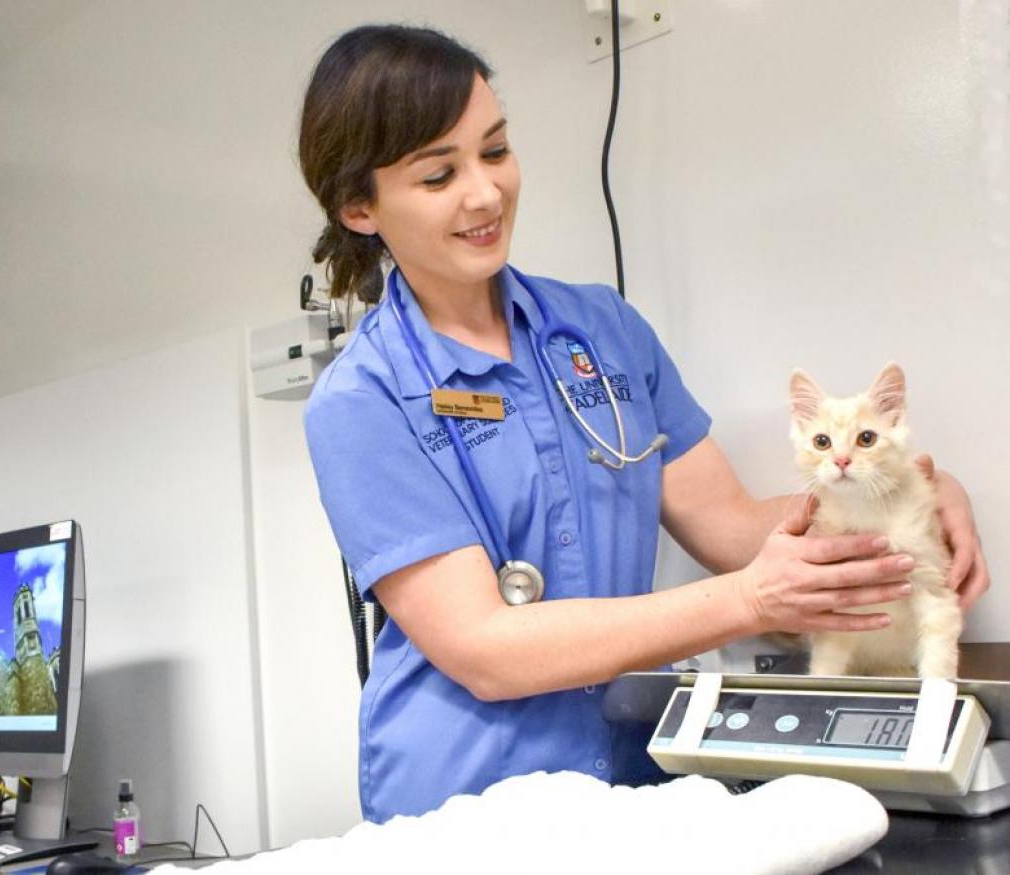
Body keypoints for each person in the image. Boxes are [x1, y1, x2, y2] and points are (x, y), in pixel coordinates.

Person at [298, 24, 989, 824]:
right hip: (466, 802)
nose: (485, 193)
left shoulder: (603, 330)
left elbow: (733, 528)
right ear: (359, 204)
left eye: (495, 150)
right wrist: (752, 601)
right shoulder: (362, 400)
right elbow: (484, 647)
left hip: (634, 781)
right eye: (438, 173)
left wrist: (918, 495)